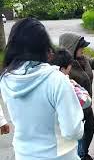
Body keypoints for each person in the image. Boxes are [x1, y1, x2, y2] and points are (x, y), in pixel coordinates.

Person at [0, 18, 84, 160]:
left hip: (24, 155)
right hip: (60, 155)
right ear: (43, 46)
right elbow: (72, 131)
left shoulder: (6, 78)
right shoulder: (57, 80)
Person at [59, 33, 94, 160]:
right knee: (76, 134)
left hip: (86, 105)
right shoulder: (63, 67)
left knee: (90, 129)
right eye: (80, 47)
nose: (83, 50)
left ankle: (83, 153)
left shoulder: (83, 59)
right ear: (70, 48)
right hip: (73, 109)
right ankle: (79, 156)